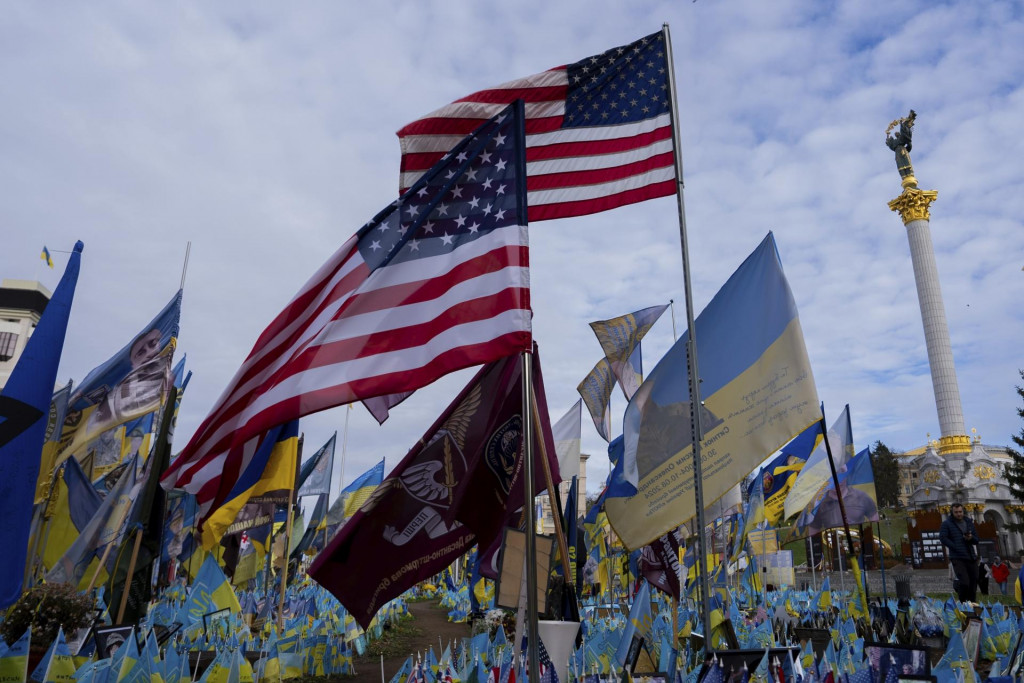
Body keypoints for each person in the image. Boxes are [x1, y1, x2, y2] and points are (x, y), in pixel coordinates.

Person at [939, 503, 980, 602]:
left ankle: (972, 603)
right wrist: (954, 546)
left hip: (970, 556)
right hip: (957, 557)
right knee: (965, 582)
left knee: (974, 581)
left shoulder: (968, 522)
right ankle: (962, 602)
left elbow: (976, 539)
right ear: (952, 513)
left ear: (963, 511)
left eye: (960, 512)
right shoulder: (947, 524)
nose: (958, 514)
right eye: (956, 512)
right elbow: (943, 538)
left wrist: (970, 538)